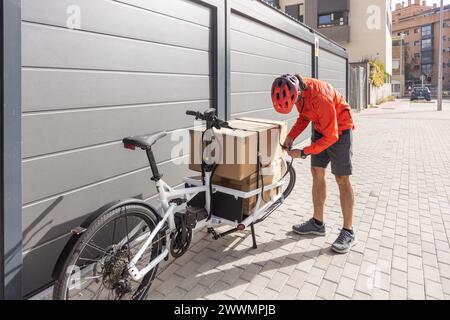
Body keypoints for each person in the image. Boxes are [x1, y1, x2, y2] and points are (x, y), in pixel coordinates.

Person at [271, 74, 356, 254]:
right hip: (321, 127)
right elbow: (304, 117)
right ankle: (317, 223)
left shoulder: (321, 97)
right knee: (317, 171)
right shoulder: (299, 94)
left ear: (297, 92)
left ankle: (348, 231)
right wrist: (291, 136)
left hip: (339, 129)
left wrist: (303, 152)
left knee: (341, 178)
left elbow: (331, 135)